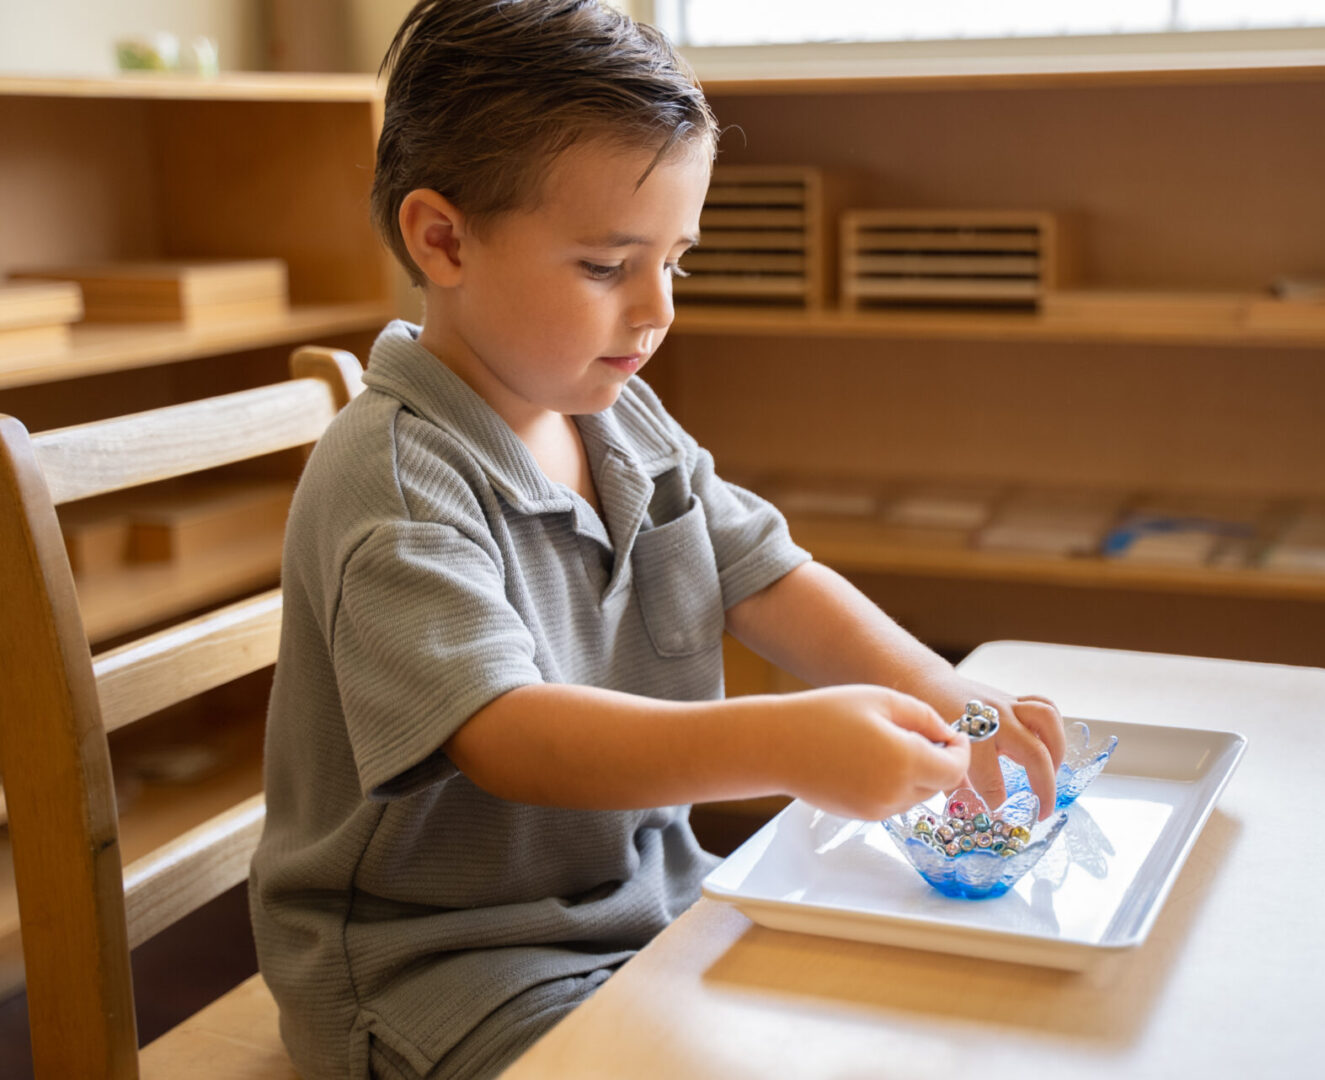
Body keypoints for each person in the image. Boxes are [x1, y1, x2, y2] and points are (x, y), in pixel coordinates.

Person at [248, 2, 1067, 1077]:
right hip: (439, 970)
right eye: (605, 267)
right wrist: (784, 744)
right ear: (441, 239)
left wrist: (948, 692)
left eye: (674, 261)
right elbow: (507, 735)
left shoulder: (611, 409)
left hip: (647, 909)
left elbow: (766, 574)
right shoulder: (396, 477)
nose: (656, 310)